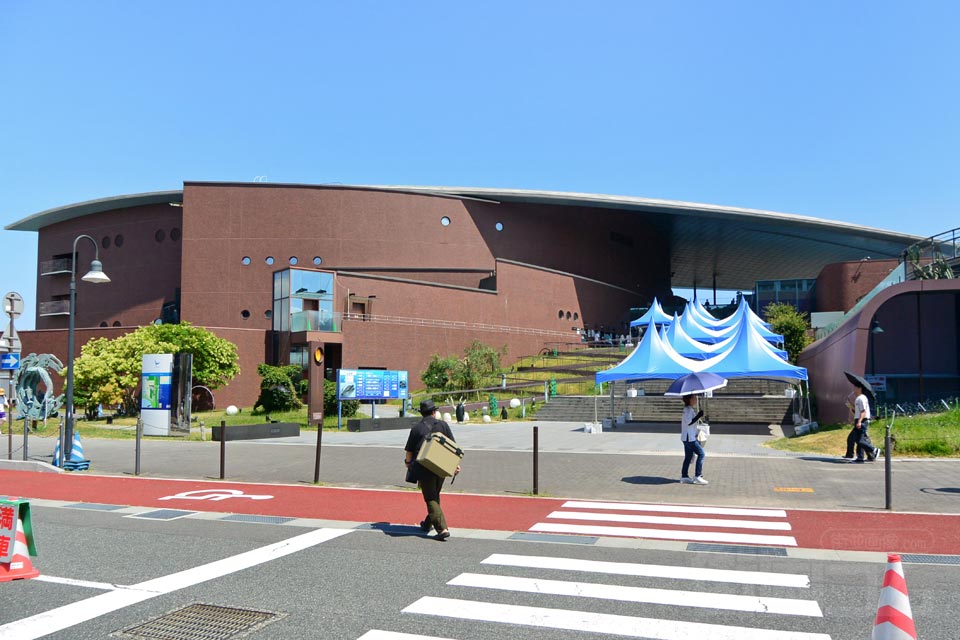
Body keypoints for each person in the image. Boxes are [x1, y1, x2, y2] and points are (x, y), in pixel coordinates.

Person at [404, 398, 460, 540]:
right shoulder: (443, 425)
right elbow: (452, 447)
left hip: (423, 467)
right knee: (434, 496)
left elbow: (409, 451)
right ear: (434, 412)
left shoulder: (416, 429)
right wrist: (455, 465)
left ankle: (442, 529)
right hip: (441, 466)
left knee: (430, 498)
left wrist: (408, 463)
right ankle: (427, 524)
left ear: (422, 413)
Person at [844, 382, 880, 462]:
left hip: (862, 420)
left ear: (860, 388)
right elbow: (857, 411)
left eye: (855, 388)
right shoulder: (858, 398)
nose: (854, 390)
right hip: (860, 419)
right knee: (858, 439)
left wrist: (859, 421)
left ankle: (874, 450)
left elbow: (863, 412)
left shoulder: (861, 398)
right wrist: (851, 407)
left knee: (859, 440)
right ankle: (860, 457)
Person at [679, 394, 708, 485]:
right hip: (689, 438)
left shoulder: (689, 409)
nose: (696, 400)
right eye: (694, 398)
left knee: (688, 457)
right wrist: (698, 416)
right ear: (689, 399)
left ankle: (684, 476)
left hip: (687, 437)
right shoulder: (687, 410)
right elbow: (689, 422)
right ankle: (698, 476)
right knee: (701, 454)